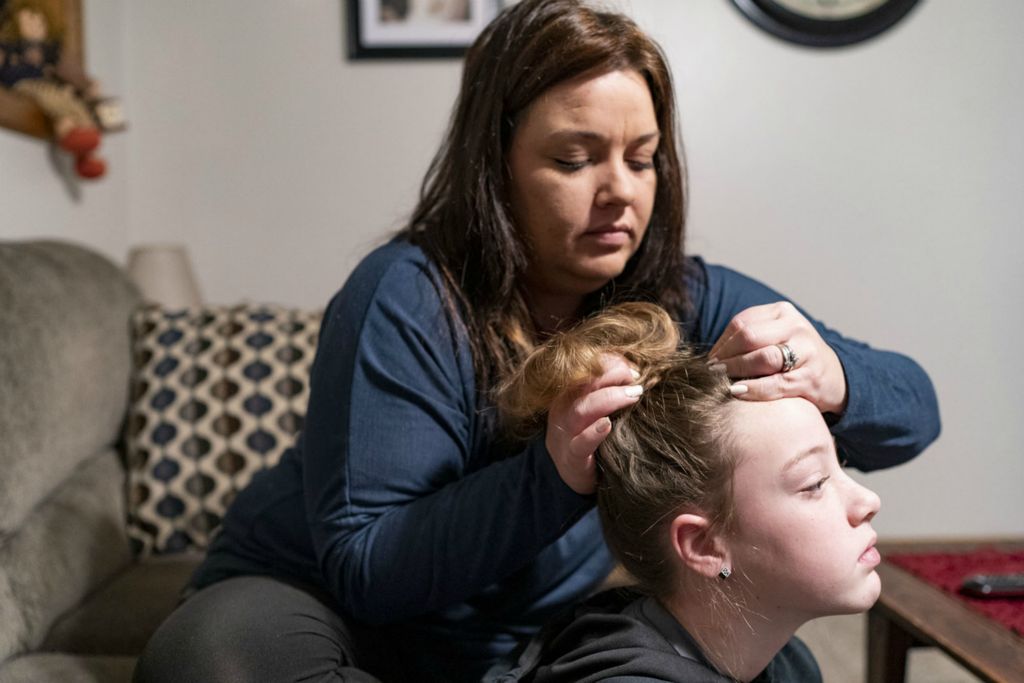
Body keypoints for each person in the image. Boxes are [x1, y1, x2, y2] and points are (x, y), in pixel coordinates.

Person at [134, 0, 940, 681]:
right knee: (218, 652)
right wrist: (553, 473)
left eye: (643, 158)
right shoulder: (407, 297)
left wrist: (833, 376)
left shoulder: (684, 296)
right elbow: (368, 571)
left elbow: (916, 412)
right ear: (497, 166)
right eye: (574, 157)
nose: (619, 190)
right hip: (321, 611)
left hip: (518, 641)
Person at [492, 302, 882, 682]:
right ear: (703, 544)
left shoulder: (788, 663)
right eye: (814, 483)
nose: (868, 502)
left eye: (839, 464)